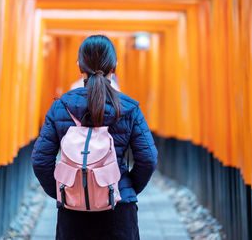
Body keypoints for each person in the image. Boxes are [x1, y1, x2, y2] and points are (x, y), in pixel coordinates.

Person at [32, 35, 158, 240]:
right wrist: (125, 187)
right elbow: (148, 158)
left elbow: (40, 161)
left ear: (79, 66)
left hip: (72, 213)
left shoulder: (60, 107)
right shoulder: (129, 108)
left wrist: (66, 190)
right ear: (114, 66)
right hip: (118, 209)